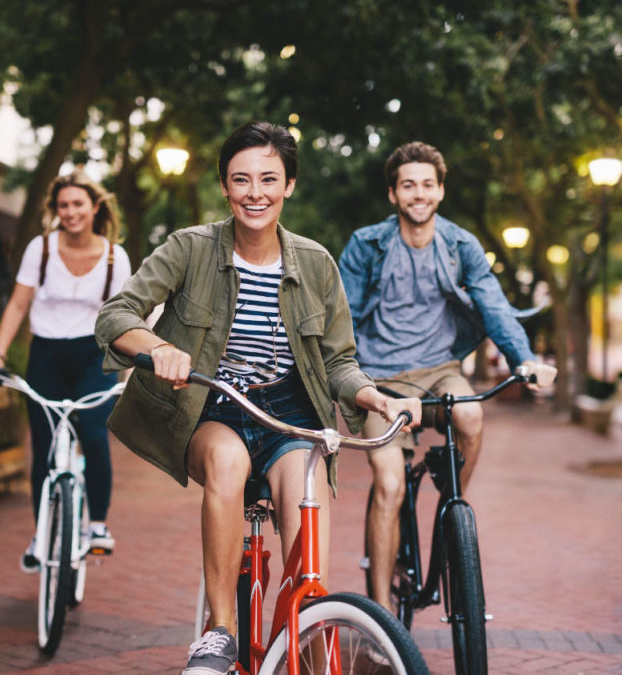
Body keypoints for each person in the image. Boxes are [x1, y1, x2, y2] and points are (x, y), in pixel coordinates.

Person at [95, 122, 421, 675]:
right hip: (213, 406)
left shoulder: (317, 263)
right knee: (228, 461)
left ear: (289, 185)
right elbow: (115, 316)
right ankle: (220, 631)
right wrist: (157, 347)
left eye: (269, 179)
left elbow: (339, 360)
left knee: (304, 526)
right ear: (224, 186)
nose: (255, 192)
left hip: (291, 413)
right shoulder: (190, 247)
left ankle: (309, 632)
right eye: (241, 179)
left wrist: (373, 396)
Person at [338, 141, 557, 614]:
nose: (419, 194)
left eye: (428, 185)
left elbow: (494, 307)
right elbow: (344, 320)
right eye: (408, 185)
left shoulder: (460, 246)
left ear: (440, 191)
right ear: (393, 195)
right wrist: (349, 380)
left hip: (441, 370)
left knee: (473, 416)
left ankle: (448, 510)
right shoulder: (366, 245)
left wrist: (523, 359)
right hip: (380, 379)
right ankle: (381, 619)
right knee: (390, 486)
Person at [0, 170, 132, 570]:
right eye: (63, 205)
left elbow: (129, 317)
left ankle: (97, 524)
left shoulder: (115, 255)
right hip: (45, 355)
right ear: (56, 210)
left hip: (94, 355)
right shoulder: (40, 249)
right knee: (44, 447)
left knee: (94, 434)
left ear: (95, 207)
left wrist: (131, 371)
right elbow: (17, 305)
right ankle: (41, 532)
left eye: (78, 203)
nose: (70, 212)